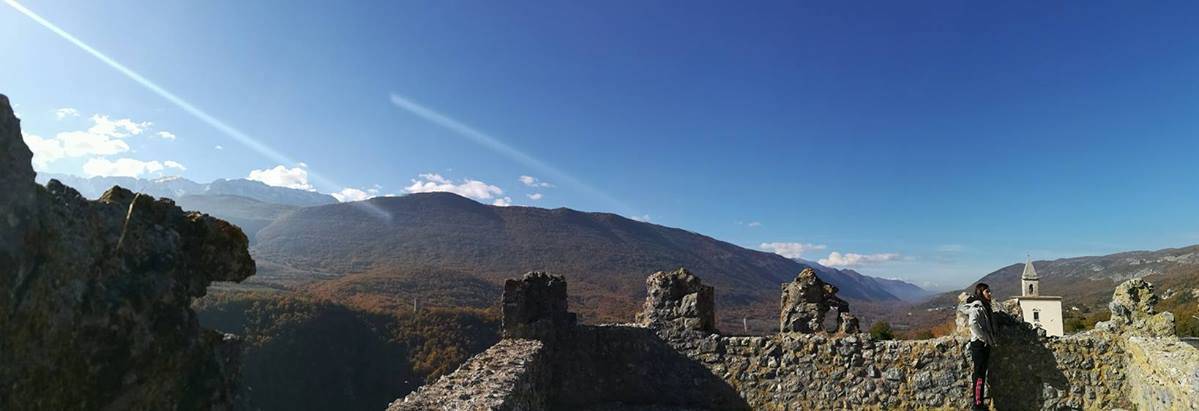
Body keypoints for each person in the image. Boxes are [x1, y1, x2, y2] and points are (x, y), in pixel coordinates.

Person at [961, 282, 997, 411]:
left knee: (981, 374)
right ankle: (977, 404)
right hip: (979, 345)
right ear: (981, 293)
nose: (990, 293)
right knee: (979, 375)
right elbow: (973, 323)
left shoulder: (985, 306)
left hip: (983, 344)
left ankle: (979, 403)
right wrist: (984, 337)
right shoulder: (977, 306)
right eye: (987, 291)